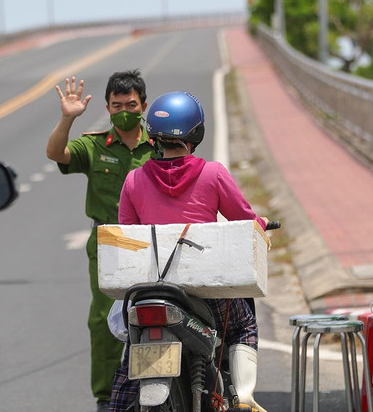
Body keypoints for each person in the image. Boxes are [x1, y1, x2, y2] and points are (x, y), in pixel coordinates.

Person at [109, 91, 269, 412]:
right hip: (207, 293)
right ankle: (246, 400)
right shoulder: (214, 174)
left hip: (149, 292)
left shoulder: (133, 180)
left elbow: (129, 240)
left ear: (153, 136)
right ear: (196, 134)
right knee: (244, 326)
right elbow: (245, 222)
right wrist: (261, 224)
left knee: (132, 352)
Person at [46, 70, 157, 412]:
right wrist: (67, 118)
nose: (124, 109)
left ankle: (158, 386)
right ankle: (109, 398)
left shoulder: (159, 146)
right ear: (108, 108)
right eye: (117, 104)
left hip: (152, 241)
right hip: (108, 242)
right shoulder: (94, 146)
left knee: (159, 313)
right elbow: (56, 153)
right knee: (106, 319)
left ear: (144, 106)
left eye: (131, 104)